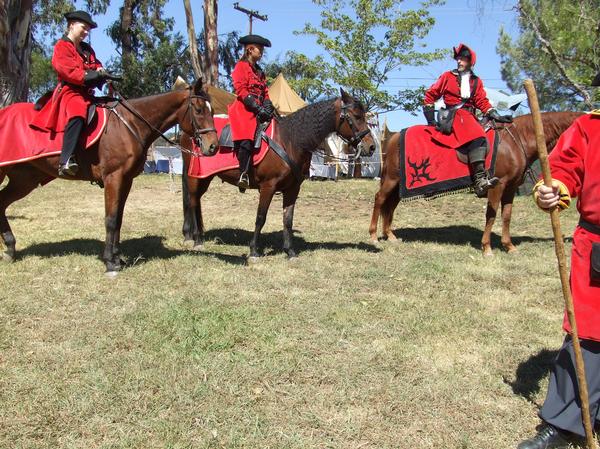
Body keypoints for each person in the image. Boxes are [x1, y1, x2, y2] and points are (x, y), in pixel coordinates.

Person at [517, 74, 600, 449]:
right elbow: (564, 169)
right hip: (597, 244)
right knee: (588, 334)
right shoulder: (589, 127)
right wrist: (554, 188)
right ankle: (566, 423)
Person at [422, 43, 513, 197]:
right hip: (454, 116)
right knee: (478, 137)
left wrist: (495, 114)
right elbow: (430, 95)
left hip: (470, 117)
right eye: (458, 59)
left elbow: (482, 101)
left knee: (484, 131)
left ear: (471, 62)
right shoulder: (447, 77)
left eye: (463, 59)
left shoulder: (476, 81)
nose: (459, 62)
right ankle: (479, 180)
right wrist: (430, 119)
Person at [30, 10, 107, 177]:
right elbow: (69, 72)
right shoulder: (62, 46)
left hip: (87, 92)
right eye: (84, 28)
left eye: (88, 30)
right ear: (71, 25)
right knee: (78, 111)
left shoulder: (87, 49)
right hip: (70, 91)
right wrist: (93, 75)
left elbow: (96, 65)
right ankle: (66, 160)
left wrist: (103, 72)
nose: (86, 32)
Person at [228, 34, 275, 191]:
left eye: (262, 49)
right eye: (259, 49)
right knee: (247, 136)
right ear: (249, 50)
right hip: (244, 109)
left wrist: (268, 105)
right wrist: (256, 107)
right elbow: (241, 89)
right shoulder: (240, 67)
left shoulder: (260, 71)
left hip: (259, 109)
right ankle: (244, 174)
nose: (261, 52)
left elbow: (265, 91)